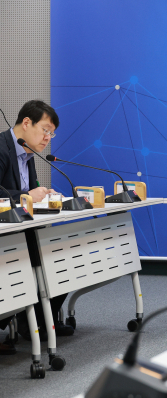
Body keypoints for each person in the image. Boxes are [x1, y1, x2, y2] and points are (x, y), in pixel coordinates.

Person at [0, 100, 74, 343]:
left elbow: (28, 194)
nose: (47, 138)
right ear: (26, 123)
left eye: (51, 134)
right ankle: (27, 320)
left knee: (64, 255)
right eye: (45, 130)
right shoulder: (2, 148)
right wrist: (27, 196)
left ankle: (41, 320)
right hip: (6, 234)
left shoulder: (27, 152)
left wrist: (44, 196)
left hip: (22, 229)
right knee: (48, 257)